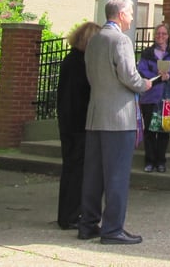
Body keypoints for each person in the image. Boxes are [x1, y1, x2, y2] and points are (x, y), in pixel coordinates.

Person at [79, 0, 152, 245]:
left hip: (95, 115)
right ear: (120, 14)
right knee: (117, 176)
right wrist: (145, 84)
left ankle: (88, 224)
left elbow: (91, 76)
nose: (132, 17)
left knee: (93, 175)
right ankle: (112, 230)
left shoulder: (93, 41)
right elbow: (129, 77)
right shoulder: (120, 40)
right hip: (119, 119)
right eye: (131, 13)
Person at [56, 20, 100, 230]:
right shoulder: (83, 64)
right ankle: (72, 216)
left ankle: (66, 214)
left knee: (70, 169)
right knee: (77, 170)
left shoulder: (70, 60)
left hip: (67, 121)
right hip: (79, 123)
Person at [136, 23, 170, 173]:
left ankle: (161, 161)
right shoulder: (147, 53)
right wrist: (157, 76)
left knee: (165, 131)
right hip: (150, 97)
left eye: (164, 34)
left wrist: (169, 76)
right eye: (158, 33)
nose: (160, 36)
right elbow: (141, 70)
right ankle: (150, 161)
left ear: (168, 36)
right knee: (150, 132)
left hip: (169, 97)